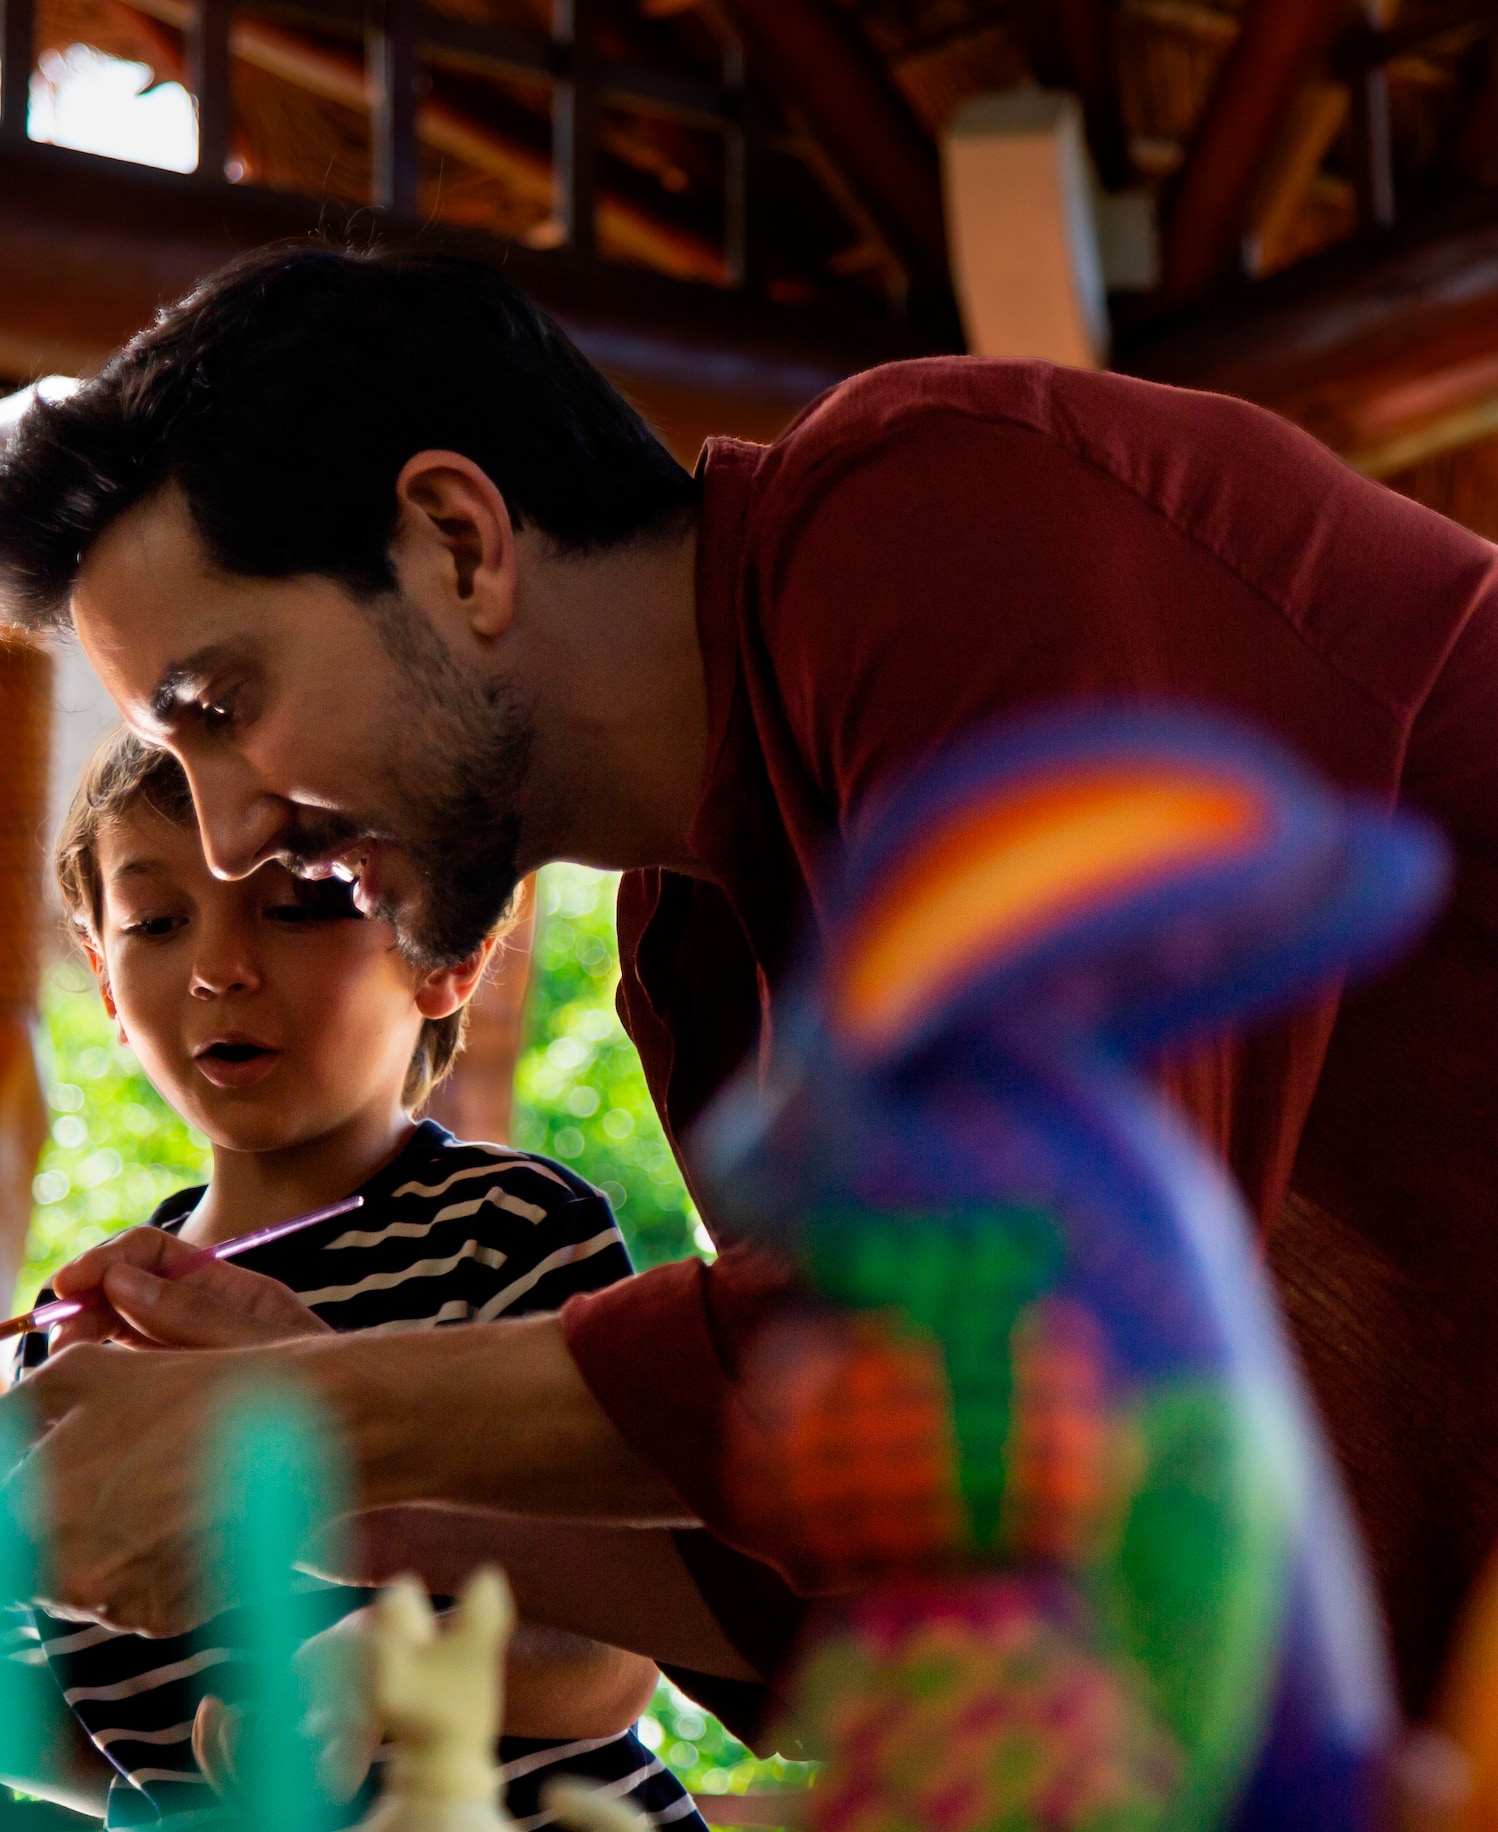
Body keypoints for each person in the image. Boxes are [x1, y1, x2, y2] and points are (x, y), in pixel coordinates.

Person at [2, 241, 1497, 1728]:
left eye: (223, 707)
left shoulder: (942, 511)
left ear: (456, 541)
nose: (233, 829)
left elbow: (1027, 1333)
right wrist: (378, 1495)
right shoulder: (700, 944)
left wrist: (312, 1419)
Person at [1, 727, 700, 1832]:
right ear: (100, 969)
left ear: (444, 954)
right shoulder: (72, 1339)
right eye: (155, 921)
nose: (218, 967)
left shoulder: (509, 1226)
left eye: (296, 907)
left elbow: (609, 1660)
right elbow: (65, 1729)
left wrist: (381, 1668)